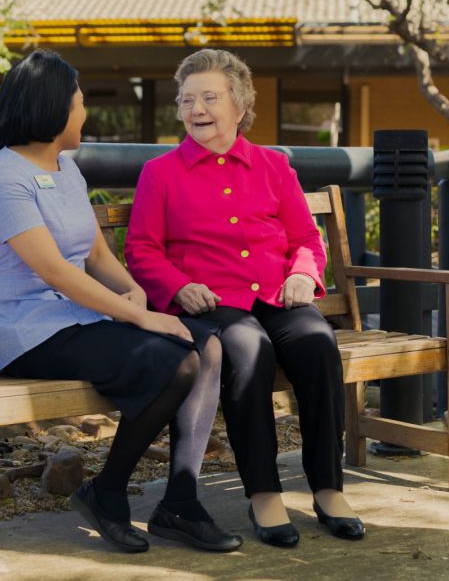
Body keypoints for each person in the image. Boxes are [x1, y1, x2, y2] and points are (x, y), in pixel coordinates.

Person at [0, 49, 241, 554]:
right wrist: (141, 316)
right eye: (79, 103)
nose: (84, 113)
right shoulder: (5, 177)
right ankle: (108, 492)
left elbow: (95, 251)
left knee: (205, 345)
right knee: (178, 362)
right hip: (30, 330)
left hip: (80, 318)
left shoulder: (65, 168)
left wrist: (130, 288)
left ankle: (180, 503)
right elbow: (54, 270)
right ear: (52, 109)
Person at [125, 49, 365, 546]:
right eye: (187, 99)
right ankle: (263, 493)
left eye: (209, 97)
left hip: (278, 297)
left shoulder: (274, 166)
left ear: (239, 104)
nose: (196, 109)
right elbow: (142, 251)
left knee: (318, 344)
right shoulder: (160, 173)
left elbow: (305, 239)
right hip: (214, 305)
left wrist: (303, 273)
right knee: (248, 351)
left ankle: (327, 486)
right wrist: (177, 287)